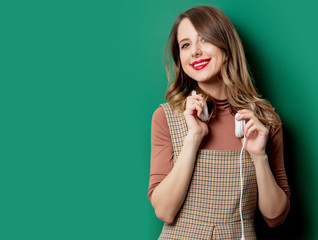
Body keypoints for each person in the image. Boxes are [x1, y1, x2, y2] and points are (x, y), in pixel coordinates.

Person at [148, 5, 290, 240]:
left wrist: (259, 156)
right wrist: (193, 138)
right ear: (179, 58)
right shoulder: (166, 117)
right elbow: (164, 211)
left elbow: (275, 217)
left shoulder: (264, 121)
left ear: (226, 46)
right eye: (185, 45)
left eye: (204, 40)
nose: (194, 52)